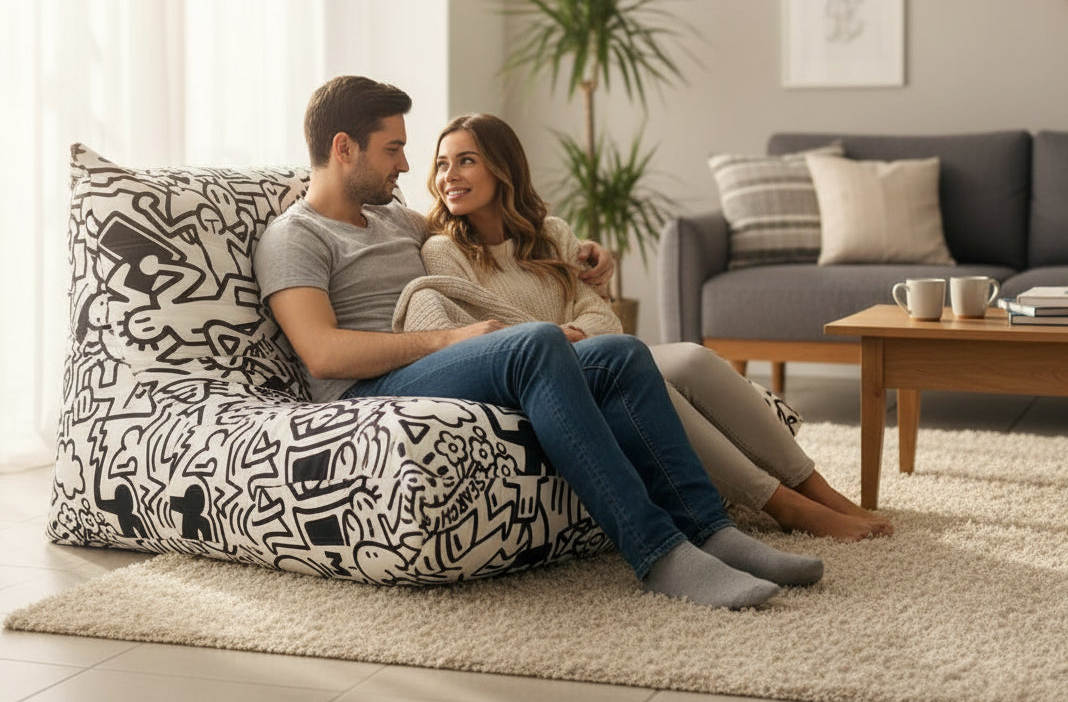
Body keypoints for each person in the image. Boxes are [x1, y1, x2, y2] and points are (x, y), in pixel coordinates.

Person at [255, 76, 825, 611]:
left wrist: (591, 255)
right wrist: (449, 339)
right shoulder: (295, 237)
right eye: (392, 149)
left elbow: (490, 227)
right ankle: (658, 555)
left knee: (619, 353)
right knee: (535, 344)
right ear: (344, 148)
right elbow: (323, 354)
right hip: (366, 393)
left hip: (431, 365)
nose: (406, 164)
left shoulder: (393, 221)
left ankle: (710, 531)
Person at [395, 112, 892, 542]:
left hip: (599, 354)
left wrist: (569, 333)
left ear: (504, 168)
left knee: (695, 358)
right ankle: (784, 505)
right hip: (549, 380)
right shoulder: (444, 251)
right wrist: (554, 335)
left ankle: (818, 488)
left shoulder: (552, 233)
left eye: (465, 160)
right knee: (656, 384)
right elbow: (481, 334)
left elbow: (602, 318)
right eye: (442, 163)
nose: (448, 176)